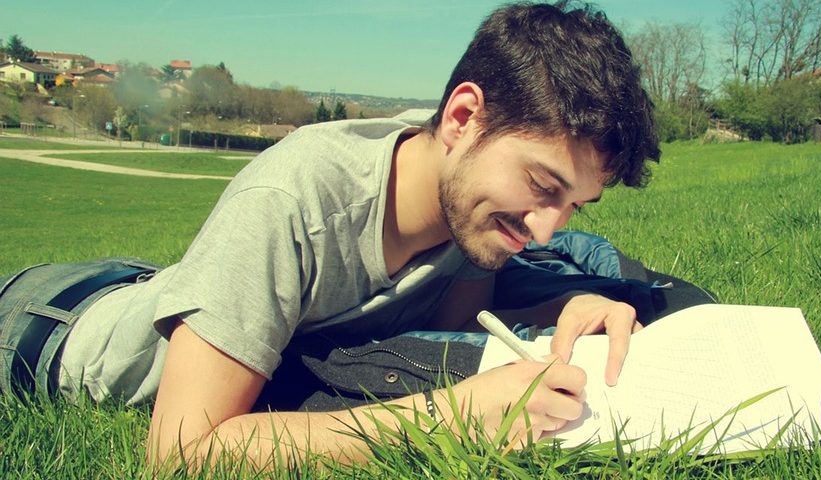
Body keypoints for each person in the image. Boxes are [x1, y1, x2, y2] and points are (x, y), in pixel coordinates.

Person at [0, 1, 660, 468]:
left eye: (576, 203)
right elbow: (179, 455)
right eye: (543, 186)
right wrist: (452, 414)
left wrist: (560, 310)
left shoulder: (470, 194)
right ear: (462, 117)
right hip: (51, 323)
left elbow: (459, 323)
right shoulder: (297, 193)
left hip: (155, 284)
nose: (547, 226)